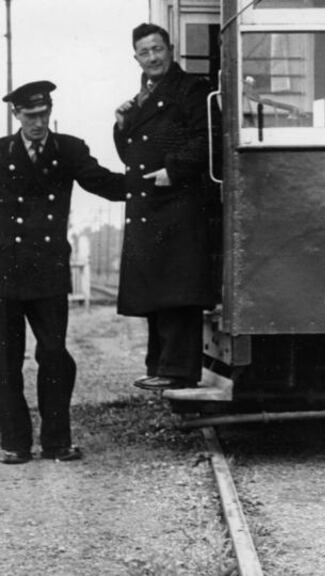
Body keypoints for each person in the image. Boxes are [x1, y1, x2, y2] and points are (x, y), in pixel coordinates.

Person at [0, 81, 125, 463]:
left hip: (49, 273)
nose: (38, 123)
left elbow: (105, 183)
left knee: (54, 356)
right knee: (6, 361)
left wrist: (158, 181)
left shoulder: (68, 149)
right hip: (5, 274)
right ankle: (14, 442)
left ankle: (56, 441)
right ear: (16, 115)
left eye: (43, 114)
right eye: (29, 115)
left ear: (49, 111)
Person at [114, 23, 217, 392]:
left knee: (177, 293)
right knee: (158, 293)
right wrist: (120, 125)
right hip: (152, 205)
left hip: (178, 202)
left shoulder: (191, 90)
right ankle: (160, 365)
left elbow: (207, 139)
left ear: (170, 49)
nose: (153, 57)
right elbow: (129, 154)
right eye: (145, 52)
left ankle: (178, 370)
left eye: (158, 49)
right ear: (136, 57)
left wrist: (173, 170)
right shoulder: (143, 98)